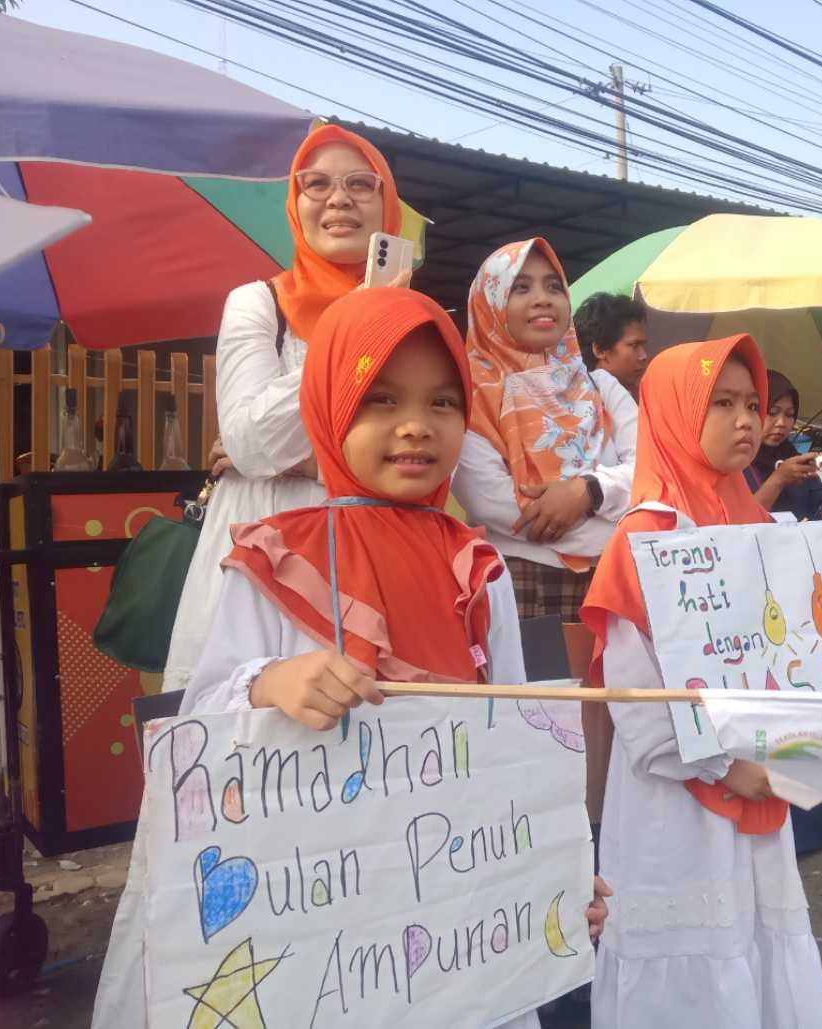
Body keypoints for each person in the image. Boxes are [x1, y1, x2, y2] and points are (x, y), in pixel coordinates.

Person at [93, 289, 611, 1028]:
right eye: (380, 399)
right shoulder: (275, 555)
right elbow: (201, 729)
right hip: (319, 946)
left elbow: (515, 749)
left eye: (442, 401)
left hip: (461, 937)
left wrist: (550, 873)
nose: (415, 426)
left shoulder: (476, 565)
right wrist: (272, 682)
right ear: (329, 404)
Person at [579, 336, 822, 1029]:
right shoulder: (645, 535)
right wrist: (725, 763)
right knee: (693, 956)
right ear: (669, 413)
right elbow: (637, 699)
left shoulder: (761, 527)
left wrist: (786, 745)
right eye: (720, 403)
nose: (747, 420)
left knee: (752, 938)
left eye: (751, 403)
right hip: (679, 802)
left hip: (759, 779)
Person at [162, 123, 409, 694]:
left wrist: (304, 462)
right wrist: (357, 328)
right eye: (315, 183)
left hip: (374, 552)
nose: (338, 198)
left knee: (373, 732)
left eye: (359, 184)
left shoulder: (413, 318)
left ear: (385, 203)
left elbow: (424, 461)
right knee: (248, 732)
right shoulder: (256, 303)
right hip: (259, 550)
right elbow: (250, 441)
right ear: (295, 205)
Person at [453, 239, 638, 622]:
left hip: (618, 575)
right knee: (539, 684)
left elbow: (650, 471)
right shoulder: (468, 396)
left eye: (554, 287)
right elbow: (487, 499)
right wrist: (607, 531)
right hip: (520, 577)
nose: (543, 299)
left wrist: (588, 491)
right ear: (489, 301)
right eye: (521, 288)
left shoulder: (602, 387)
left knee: (624, 682)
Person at [744, 370, 822, 533]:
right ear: (751, 410)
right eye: (772, 413)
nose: (781, 423)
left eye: (790, 415)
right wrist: (778, 479)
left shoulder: (800, 464)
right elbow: (740, 525)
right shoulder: (735, 465)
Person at [574, 291, 650, 400]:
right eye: (634, 345)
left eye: (642, 345)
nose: (643, 356)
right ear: (600, 350)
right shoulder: (589, 408)